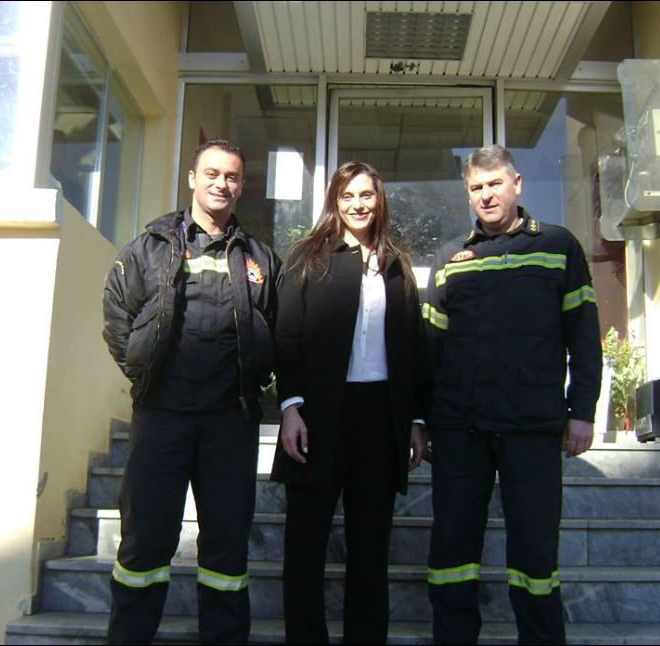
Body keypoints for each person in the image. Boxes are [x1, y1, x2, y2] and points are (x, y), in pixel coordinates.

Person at [101, 138, 281, 644]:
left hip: (230, 422)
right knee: (144, 546)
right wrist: (143, 376)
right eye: (213, 173)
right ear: (192, 179)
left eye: (232, 176)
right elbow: (117, 316)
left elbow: (278, 329)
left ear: (241, 186)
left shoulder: (260, 258)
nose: (222, 184)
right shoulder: (148, 249)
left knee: (227, 551)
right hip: (162, 418)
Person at [423, 144, 602, 645]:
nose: (486, 195)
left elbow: (583, 336)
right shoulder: (450, 258)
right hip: (461, 427)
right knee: (452, 550)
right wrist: (422, 419)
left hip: (532, 424)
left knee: (535, 554)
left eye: (495, 184)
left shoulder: (559, 246)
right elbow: (429, 347)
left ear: (517, 184)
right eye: (476, 188)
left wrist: (582, 410)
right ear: (468, 194)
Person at [271, 161, 430, 644]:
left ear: (379, 200)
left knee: (370, 550)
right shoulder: (307, 257)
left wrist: (415, 419)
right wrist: (290, 408)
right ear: (334, 202)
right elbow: (287, 337)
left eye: (366, 195)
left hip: (379, 417)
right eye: (347, 195)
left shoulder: (397, 263)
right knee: (305, 546)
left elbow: (413, 346)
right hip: (319, 416)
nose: (358, 204)